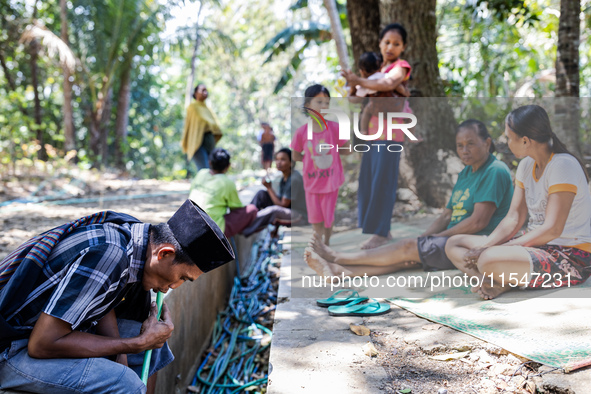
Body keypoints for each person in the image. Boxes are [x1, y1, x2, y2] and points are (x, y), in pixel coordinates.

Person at [0, 199, 235, 394]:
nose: (172, 287)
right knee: (124, 382)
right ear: (164, 253)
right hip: (11, 348)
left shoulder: (134, 239)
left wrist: (123, 351)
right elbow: (41, 344)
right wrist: (134, 344)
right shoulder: (110, 254)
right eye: (182, 277)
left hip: (49, 331)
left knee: (154, 348)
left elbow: (99, 300)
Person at [305, 119, 513, 279]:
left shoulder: (494, 171)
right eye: (460, 146)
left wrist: (437, 238)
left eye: (471, 144)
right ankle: (337, 271)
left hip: (473, 243)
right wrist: (425, 237)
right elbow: (447, 214)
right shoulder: (467, 171)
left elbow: (479, 222)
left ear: (487, 143)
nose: (464, 150)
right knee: (408, 256)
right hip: (452, 238)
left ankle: (336, 256)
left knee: (406, 249)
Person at [445, 105, 591, 300]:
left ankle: (498, 278)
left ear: (524, 141)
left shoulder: (563, 165)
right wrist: (486, 245)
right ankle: (496, 281)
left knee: (487, 258)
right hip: (535, 247)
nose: (506, 142)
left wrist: (497, 249)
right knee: (454, 244)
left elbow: (552, 230)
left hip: (569, 256)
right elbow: (513, 218)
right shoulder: (525, 166)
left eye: (508, 137)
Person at [342, 24, 415, 249]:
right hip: (374, 136)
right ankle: (379, 231)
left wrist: (359, 81)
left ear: (403, 47)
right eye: (386, 42)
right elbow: (354, 98)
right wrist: (354, 85)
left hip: (391, 135)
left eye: (396, 43)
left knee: (383, 183)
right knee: (370, 182)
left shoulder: (400, 67)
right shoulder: (376, 69)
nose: (390, 47)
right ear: (380, 44)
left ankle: (382, 233)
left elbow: (388, 83)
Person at [291, 84, 350, 245]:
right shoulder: (301, 132)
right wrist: (310, 160)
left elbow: (347, 150)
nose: (324, 106)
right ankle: (318, 245)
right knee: (315, 218)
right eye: (319, 102)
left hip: (331, 181)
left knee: (328, 217)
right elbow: (296, 155)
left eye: (327, 103)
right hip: (311, 182)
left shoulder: (335, 128)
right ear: (307, 105)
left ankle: (327, 242)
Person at [189, 148, 258, 238]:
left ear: (210, 162)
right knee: (251, 209)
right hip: (212, 230)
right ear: (228, 166)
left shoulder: (201, 173)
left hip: (189, 221)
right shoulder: (226, 182)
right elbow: (236, 208)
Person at [250, 147, 308, 225]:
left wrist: (269, 188)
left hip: (299, 216)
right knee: (261, 194)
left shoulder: (294, 179)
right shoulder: (284, 177)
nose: (278, 162)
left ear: (291, 163)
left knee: (274, 211)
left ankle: (249, 224)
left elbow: (282, 205)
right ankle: (248, 215)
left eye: (282, 159)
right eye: (277, 159)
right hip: (288, 210)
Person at [181, 83, 223, 172]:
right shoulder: (192, 107)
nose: (205, 92)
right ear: (196, 93)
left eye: (206, 90)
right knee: (204, 169)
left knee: (213, 169)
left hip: (209, 141)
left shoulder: (207, 109)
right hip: (197, 142)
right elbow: (190, 127)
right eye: (202, 90)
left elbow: (215, 126)